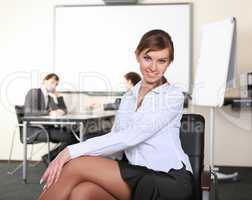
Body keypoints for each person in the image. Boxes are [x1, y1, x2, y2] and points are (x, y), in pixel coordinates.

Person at [38, 30, 194, 200]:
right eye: (148, 58)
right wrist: (84, 158)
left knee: (76, 164)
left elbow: (130, 136)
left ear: (169, 63)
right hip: (135, 173)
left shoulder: (172, 96)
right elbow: (116, 140)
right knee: (81, 193)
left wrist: (71, 152)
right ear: (137, 55)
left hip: (168, 179)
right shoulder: (128, 97)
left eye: (161, 61)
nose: (153, 67)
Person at [24, 73, 77, 164]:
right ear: (44, 81)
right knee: (70, 137)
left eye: (56, 84)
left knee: (75, 134)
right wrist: (49, 112)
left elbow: (64, 110)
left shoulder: (49, 96)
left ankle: (49, 157)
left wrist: (58, 97)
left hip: (46, 127)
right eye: (52, 82)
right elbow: (29, 112)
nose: (53, 86)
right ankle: (50, 158)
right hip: (34, 130)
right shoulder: (34, 92)